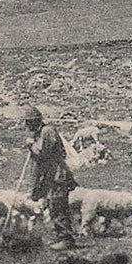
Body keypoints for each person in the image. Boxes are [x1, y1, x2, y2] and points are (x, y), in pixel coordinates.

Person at [24, 106, 77, 250]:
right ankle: (60, 236)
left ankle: (66, 239)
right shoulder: (41, 132)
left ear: (34, 121)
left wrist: (31, 145)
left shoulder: (48, 131)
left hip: (57, 175)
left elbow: (43, 153)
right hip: (50, 175)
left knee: (58, 205)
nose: (27, 126)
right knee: (53, 205)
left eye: (28, 122)